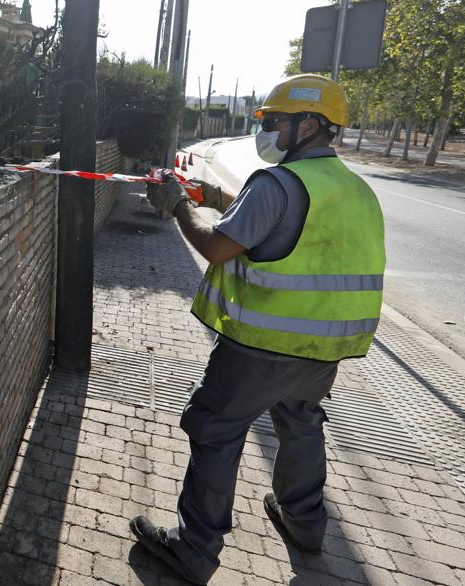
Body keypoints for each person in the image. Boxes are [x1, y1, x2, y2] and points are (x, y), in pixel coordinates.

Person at [129, 74, 386, 584]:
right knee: (301, 422)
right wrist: (217, 197)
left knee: (215, 429)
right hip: (324, 348)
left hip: (261, 347)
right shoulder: (357, 190)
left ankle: (195, 549)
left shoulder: (277, 183)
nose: (264, 131)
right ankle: (305, 523)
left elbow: (219, 248)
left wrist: (178, 204)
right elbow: (291, 233)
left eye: (273, 122)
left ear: (310, 124)